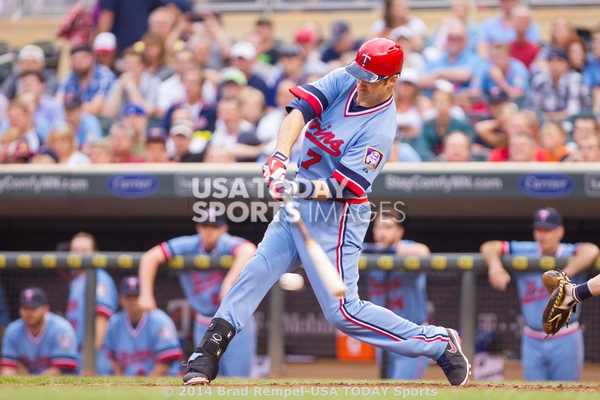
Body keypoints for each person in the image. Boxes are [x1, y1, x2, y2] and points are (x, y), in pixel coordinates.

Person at [176, 37, 471, 387]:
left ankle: (437, 342)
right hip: (298, 203)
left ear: (391, 81)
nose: (360, 83)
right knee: (256, 270)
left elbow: (341, 186)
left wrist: (295, 187)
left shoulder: (380, 130)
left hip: (338, 215)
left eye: (370, 79)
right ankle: (206, 354)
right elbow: (300, 111)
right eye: (359, 74)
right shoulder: (347, 78)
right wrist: (279, 157)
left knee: (344, 313)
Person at [481, 207, 599, 381]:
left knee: (566, 394)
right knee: (534, 394)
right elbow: (489, 246)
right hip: (532, 339)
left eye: (548, 230)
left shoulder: (568, 252)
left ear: (560, 231)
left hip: (565, 338)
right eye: (539, 229)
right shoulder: (526, 250)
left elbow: (591, 250)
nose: (543, 235)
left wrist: (562, 275)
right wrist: (495, 266)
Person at [138, 213, 258, 378]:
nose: (209, 231)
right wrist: (145, 293)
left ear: (223, 229)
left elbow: (249, 249)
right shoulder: (189, 244)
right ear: (198, 228)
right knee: (207, 376)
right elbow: (149, 257)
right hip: (204, 322)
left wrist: (228, 282)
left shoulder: (225, 242)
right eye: (205, 226)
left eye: (214, 227)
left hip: (233, 321)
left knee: (239, 378)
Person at [364, 212, 431, 380]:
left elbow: (423, 252)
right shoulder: (370, 253)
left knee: (400, 390)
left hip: (412, 336)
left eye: (387, 227)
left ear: (399, 232)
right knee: (386, 390)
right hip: (383, 335)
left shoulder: (407, 248)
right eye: (378, 227)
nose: (382, 232)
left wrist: (389, 251)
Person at [103, 276, 182, 376]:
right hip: (129, 383)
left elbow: (168, 359)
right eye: (128, 297)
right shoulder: (114, 323)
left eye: (136, 296)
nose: (132, 301)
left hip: (163, 382)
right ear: (121, 299)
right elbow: (113, 357)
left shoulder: (161, 321)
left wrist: (149, 384)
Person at [66, 232, 118, 375]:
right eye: (75, 251)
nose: (79, 255)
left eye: (84, 250)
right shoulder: (77, 280)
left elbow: (101, 322)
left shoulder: (100, 279)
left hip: (96, 356)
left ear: (95, 253)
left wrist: (90, 359)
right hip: (78, 353)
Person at [1, 287, 78, 375]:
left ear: (45, 309)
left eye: (33, 308)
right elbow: (8, 369)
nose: (28, 313)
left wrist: (30, 384)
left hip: (61, 386)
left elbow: (62, 370)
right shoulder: (12, 331)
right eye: (25, 308)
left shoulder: (61, 329)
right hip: (30, 383)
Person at [525, 48, 585, 122]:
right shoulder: (539, 80)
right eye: (551, 60)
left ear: (567, 64)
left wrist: (548, 118)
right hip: (542, 123)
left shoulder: (575, 79)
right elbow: (531, 109)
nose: (554, 64)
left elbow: (573, 112)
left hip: (569, 123)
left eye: (559, 60)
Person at [420, 20, 482, 92]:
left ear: (466, 41)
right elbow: (421, 80)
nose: (454, 42)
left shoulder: (475, 60)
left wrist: (438, 75)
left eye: (458, 39)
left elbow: (467, 74)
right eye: (451, 38)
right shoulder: (436, 59)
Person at [55, 46, 116, 116]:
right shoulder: (68, 78)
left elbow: (96, 108)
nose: (78, 62)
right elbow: (57, 104)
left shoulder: (104, 76)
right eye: (75, 59)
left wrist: (71, 107)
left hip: (98, 120)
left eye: (82, 57)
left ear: (91, 58)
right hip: (73, 120)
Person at [103, 47, 161, 118]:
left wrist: (132, 87)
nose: (129, 68)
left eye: (133, 64)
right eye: (126, 64)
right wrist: (119, 89)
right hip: (122, 125)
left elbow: (146, 112)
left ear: (142, 67)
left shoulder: (152, 82)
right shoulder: (118, 82)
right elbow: (107, 115)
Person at [509, 5, 541, 71]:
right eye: (518, 19)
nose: (521, 22)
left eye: (524, 20)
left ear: (529, 23)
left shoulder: (535, 49)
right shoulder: (507, 48)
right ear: (512, 21)